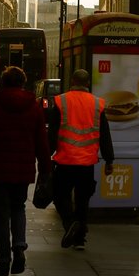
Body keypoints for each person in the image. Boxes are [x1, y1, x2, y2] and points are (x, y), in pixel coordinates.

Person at [0, 66, 52, 276]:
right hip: (23, 168)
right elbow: (41, 140)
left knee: (1, 215)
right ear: (23, 82)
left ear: (3, 81)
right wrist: (46, 167)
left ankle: (3, 261)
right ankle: (19, 246)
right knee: (19, 208)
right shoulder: (33, 106)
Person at [48, 68, 114, 251]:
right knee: (83, 199)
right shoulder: (97, 104)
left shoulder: (61, 101)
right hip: (87, 162)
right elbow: (104, 135)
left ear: (72, 82)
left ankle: (70, 224)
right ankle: (79, 239)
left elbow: (52, 133)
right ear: (87, 84)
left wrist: (47, 154)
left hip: (65, 159)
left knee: (61, 197)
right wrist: (109, 160)